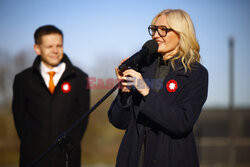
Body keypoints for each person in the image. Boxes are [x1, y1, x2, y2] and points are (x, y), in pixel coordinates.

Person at [108, 9, 208, 167]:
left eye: (163, 30)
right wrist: (124, 92)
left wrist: (146, 92)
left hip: (171, 159)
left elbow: (182, 123)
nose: (155, 35)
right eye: (154, 29)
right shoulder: (143, 66)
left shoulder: (196, 74)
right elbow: (118, 121)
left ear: (181, 33)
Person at [12, 25, 90, 167]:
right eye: (49, 46)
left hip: (67, 161)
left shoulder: (81, 78)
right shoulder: (22, 80)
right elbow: (19, 120)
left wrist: (68, 146)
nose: (55, 51)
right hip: (33, 160)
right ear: (37, 49)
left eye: (59, 46)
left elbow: (82, 120)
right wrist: (32, 145)